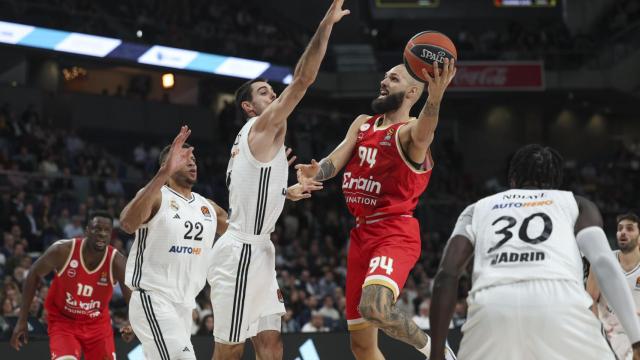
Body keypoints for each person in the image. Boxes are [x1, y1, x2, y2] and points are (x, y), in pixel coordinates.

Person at [207, 0, 346, 358]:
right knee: (231, 350)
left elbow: (249, 190)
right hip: (240, 252)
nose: (273, 94)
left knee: (271, 342)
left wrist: (287, 190)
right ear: (249, 108)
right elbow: (303, 79)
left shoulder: (253, 145)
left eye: (272, 90)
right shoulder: (261, 126)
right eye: (265, 92)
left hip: (261, 249)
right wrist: (325, 26)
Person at [296, 59, 456, 358]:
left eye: (393, 79)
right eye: (385, 76)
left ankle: (438, 352)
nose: (383, 81)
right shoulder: (363, 122)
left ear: (411, 93)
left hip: (394, 231)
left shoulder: (409, 132)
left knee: (375, 307)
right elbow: (332, 163)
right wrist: (311, 175)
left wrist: (435, 97)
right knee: (361, 346)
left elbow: (425, 132)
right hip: (361, 234)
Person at [428, 144, 640, 360]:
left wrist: (436, 355)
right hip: (561, 304)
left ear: (512, 180)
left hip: (491, 307)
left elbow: (447, 274)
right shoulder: (576, 204)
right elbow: (604, 262)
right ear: (555, 184)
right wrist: (636, 339)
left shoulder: (477, 208)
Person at [119, 128, 229, 359]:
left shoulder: (207, 206)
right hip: (153, 297)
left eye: (194, 160)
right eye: (184, 159)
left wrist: (281, 194)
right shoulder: (157, 196)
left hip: (185, 305)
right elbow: (127, 224)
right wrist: (161, 175)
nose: (192, 164)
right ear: (167, 165)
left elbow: (244, 229)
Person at [10, 211, 130, 360]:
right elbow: (33, 274)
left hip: (97, 323)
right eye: (97, 229)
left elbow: (133, 297)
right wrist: (22, 319)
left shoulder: (117, 262)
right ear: (86, 230)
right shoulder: (63, 251)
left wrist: (132, 323)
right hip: (63, 321)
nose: (102, 234)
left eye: (107, 230)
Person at [587, 212, 640, 360]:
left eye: (629, 229)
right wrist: (596, 334)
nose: (623, 232)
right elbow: (590, 301)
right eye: (620, 228)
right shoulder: (602, 263)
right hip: (609, 335)